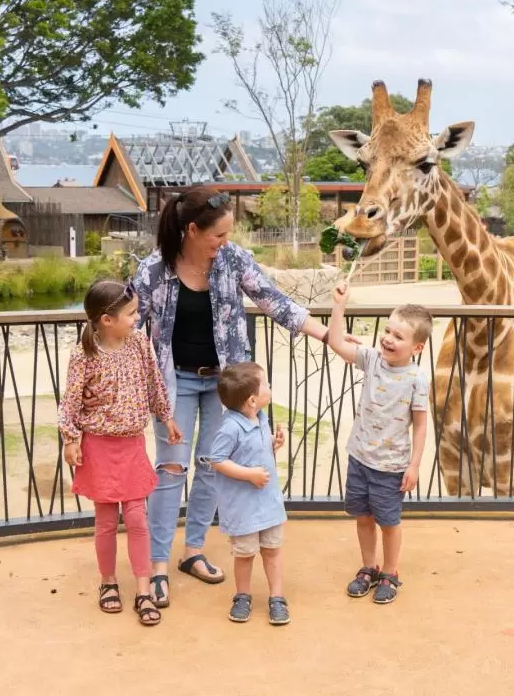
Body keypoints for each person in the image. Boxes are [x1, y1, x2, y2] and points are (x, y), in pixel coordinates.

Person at [107, 185, 343, 609]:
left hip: (225, 386)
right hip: (173, 383)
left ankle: (192, 551)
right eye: (218, 235)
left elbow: (275, 302)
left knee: (213, 467)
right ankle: (157, 563)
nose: (225, 242)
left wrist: (328, 335)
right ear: (192, 230)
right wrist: (100, 366)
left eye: (229, 234)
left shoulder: (233, 262)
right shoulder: (155, 269)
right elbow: (124, 324)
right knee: (171, 468)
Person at [58, 279, 183, 627]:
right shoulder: (83, 354)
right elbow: (70, 400)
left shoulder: (139, 343)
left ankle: (143, 589)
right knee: (106, 520)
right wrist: (70, 438)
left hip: (131, 443)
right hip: (98, 445)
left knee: (138, 517)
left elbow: (153, 381)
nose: (136, 318)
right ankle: (108, 581)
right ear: (105, 320)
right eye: (130, 314)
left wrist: (166, 415)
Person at [326, 282, 431, 604]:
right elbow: (335, 343)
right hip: (359, 457)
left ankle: (391, 571)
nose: (388, 339)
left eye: (399, 336)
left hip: (390, 466)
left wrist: (413, 465)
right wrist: (339, 305)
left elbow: (421, 426)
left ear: (416, 348)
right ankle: (368, 567)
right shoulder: (371, 359)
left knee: (389, 522)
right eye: (387, 331)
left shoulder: (416, 380)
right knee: (363, 517)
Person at [201, 362, 290, 625]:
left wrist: (273, 445)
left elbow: (254, 451)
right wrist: (249, 474)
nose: (269, 386)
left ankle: (276, 596)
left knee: (272, 549)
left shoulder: (260, 418)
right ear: (252, 400)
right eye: (265, 384)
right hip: (244, 507)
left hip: (268, 503)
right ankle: (242, 596)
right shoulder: (230, 427)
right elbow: (217, 459)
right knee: (245, 553)